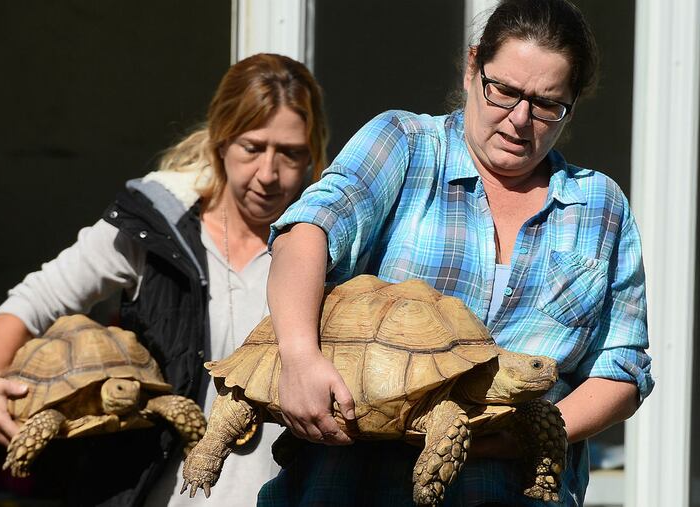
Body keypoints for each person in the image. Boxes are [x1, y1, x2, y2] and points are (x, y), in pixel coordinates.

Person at [261, 0, 654, 505]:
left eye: (546, 104)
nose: (519, 120)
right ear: (473, 68)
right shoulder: (404, 145)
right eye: (505, 91)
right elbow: (305, 231)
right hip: (350, 485)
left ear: (571, 104)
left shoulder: (599, 206)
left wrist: (523, 437)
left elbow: (621, 369)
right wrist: (297, 357)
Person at [0, 52, 328, 507]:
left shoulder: (329, 243)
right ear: (221, 141)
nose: (269, 174)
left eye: (290, 154)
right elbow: (36, 298)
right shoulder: (155, 227)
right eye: (252, 147)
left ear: (313, 153)